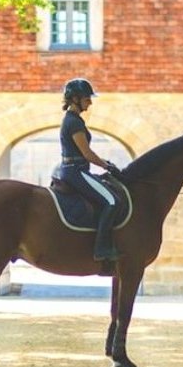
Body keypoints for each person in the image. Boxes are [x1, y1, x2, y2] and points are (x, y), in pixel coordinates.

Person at [57, 78, 121, 261]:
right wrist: (107, 166)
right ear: (75, 99)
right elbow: (87, 153)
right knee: (112, 201)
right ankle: (101, 248)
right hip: (75, 171)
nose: (90, 102)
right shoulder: (74, 122)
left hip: (73, 169)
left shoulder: (72, 119)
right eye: (87, 99)